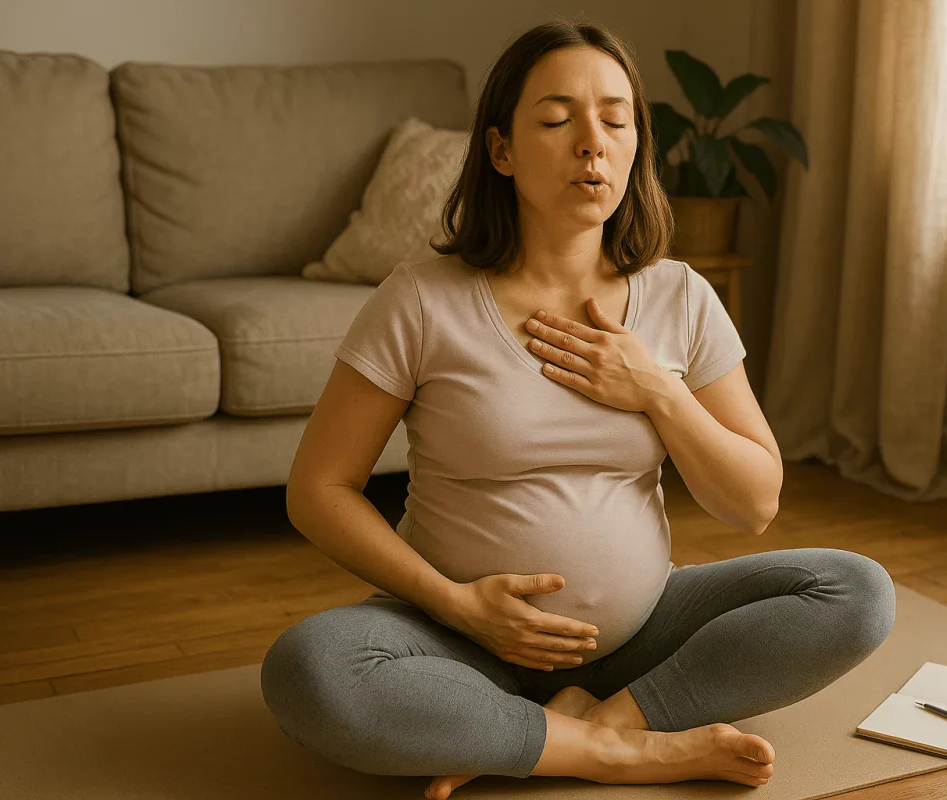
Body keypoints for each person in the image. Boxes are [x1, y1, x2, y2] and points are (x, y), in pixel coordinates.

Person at [261, 16, 896, 799]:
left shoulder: (681, 296)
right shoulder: (422, 300)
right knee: (310, 668)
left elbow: (755, 502)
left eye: (616, 121)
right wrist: (457, 605)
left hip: (640, 635)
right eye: (558, 121)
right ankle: (619, 751)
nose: (593, 143)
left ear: (636, 146)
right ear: (501, 150)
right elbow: (318, 489)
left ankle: (596, 722)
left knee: (856, 593)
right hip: (461, 639)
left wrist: (657, 390)